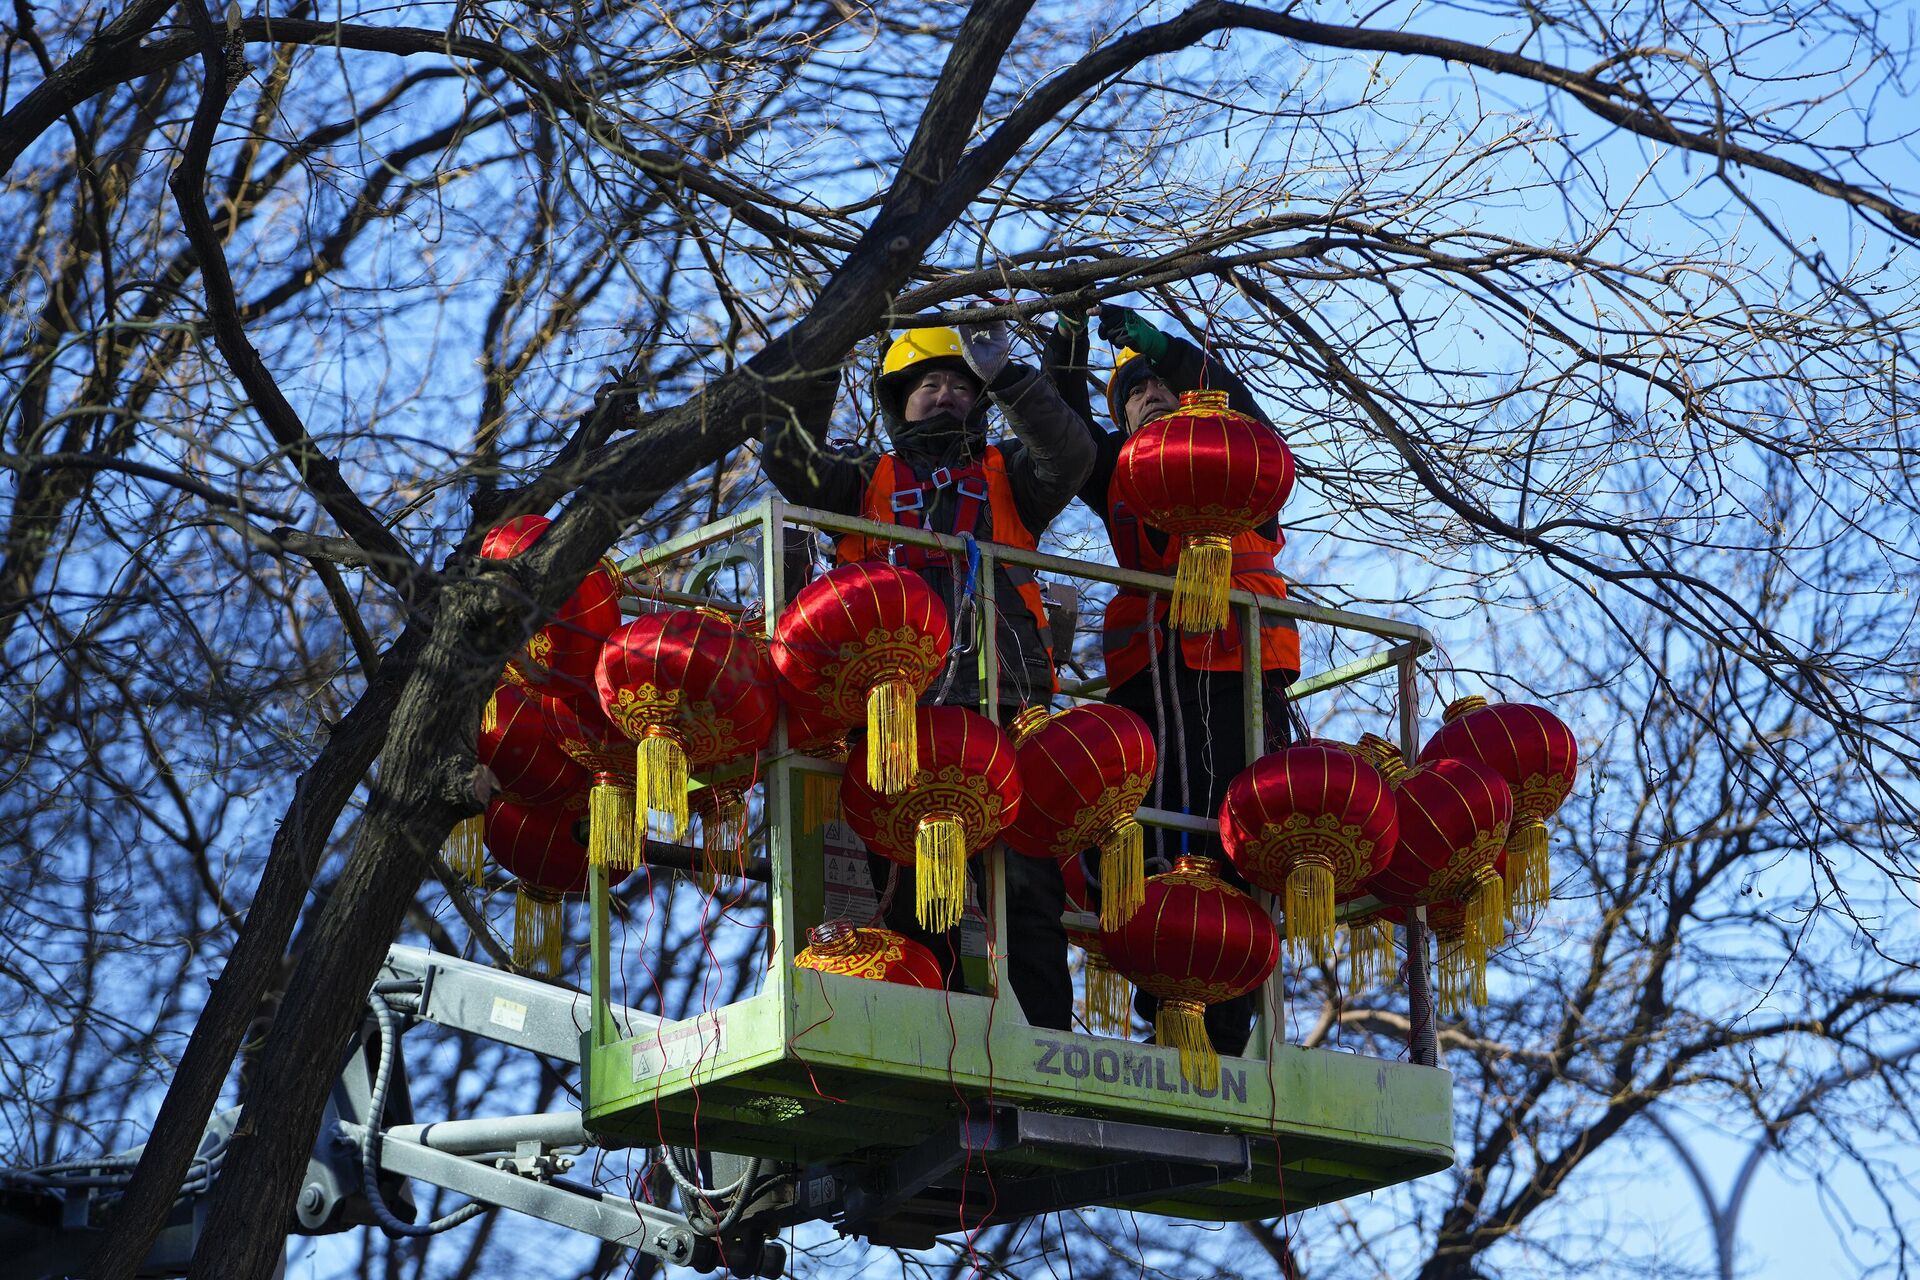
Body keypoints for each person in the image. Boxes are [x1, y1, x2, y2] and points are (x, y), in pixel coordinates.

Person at [759, 320, 1095, 1031]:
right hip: (899, 714)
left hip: (1007, 703)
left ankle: (1043, 1044)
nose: (946, 396)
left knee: (1028, 891)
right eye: (929, 385)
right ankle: (932, 1039)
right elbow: (790, 460)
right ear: (898, 402)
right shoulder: (861, 483)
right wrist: (822, 357)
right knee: (916, 890)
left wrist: (1011, 378)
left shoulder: (1012, 475)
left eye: (959, 386)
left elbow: (1071, 455)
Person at [1046, 303, 1301, 1054]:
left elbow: (1247, 411)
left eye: (1158, 385)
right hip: (1147, 686)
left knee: (1231, 840)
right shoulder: (1118, 475)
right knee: (1151, 848)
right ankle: (1161, 1011)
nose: (1146, 396)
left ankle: (1224, 1023)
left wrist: (1169, 350)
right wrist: (1062, 343)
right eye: (1130, 394)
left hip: (1237, 675)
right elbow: (1063, 432)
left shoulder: (1244, 454)